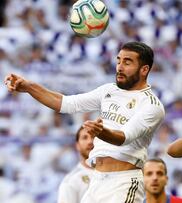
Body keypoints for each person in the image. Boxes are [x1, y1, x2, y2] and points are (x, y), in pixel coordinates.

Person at [4, 41, 165, 203]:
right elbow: (67, 103)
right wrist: (29, 87)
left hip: (123, 183)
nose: (119, 67)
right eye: (118, 61)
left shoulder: (151, 105)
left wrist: (100, 132)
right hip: (97, 180)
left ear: (144, 70)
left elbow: (124, 137)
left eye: (127, 62)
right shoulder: (109, 90)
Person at [58, 126, 94, 203]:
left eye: (94, 137)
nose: (90, 141)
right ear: (77, 145)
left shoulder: (113, 173)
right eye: (85, 138)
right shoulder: (71, 181)